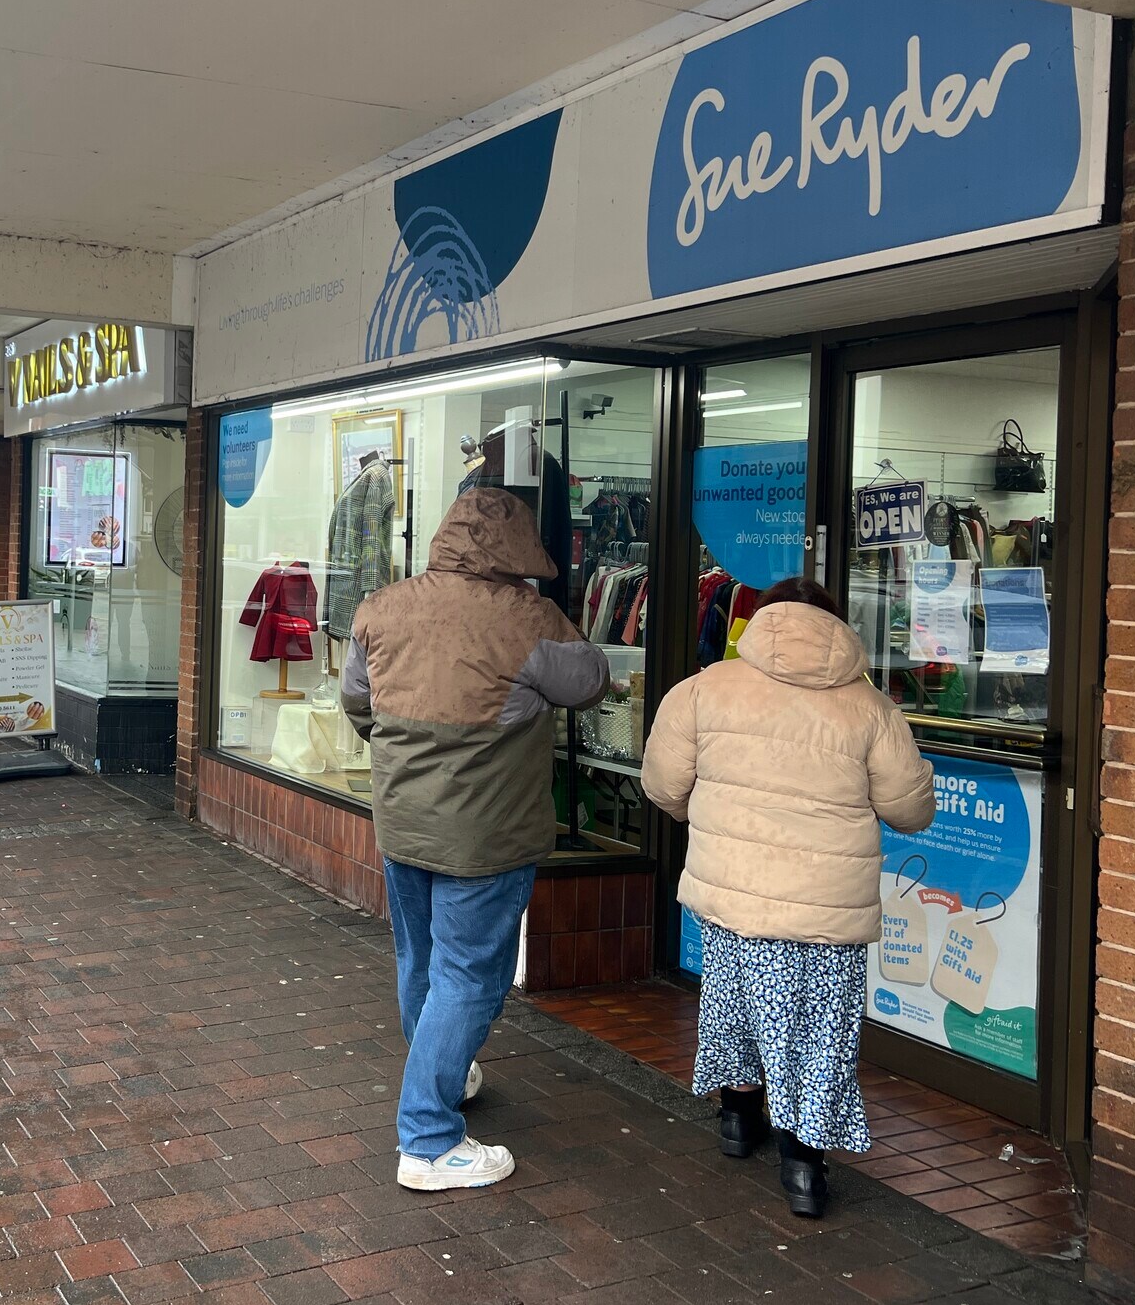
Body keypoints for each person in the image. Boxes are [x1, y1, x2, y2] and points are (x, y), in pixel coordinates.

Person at [340, 488, 609, 1191]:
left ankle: (444, 1072)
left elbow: (357, 704)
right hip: (487, 834)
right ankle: (428, 1141)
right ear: (519, 549)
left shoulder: (381, 607)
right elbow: (590, 682)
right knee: (468, 975)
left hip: (401, 820)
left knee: (420, 958)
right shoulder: (529, 618)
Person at [642, 576, 934, 1220]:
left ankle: (739, 1121)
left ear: (761, 621)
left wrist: (719, 811)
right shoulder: (870, 707)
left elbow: (663, 786)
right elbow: (911, 810)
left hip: (733, 893)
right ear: (835, 628)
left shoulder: (704, 689)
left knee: (735, 1009)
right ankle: (804, 1168)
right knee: (821, 1033)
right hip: (828, 906)